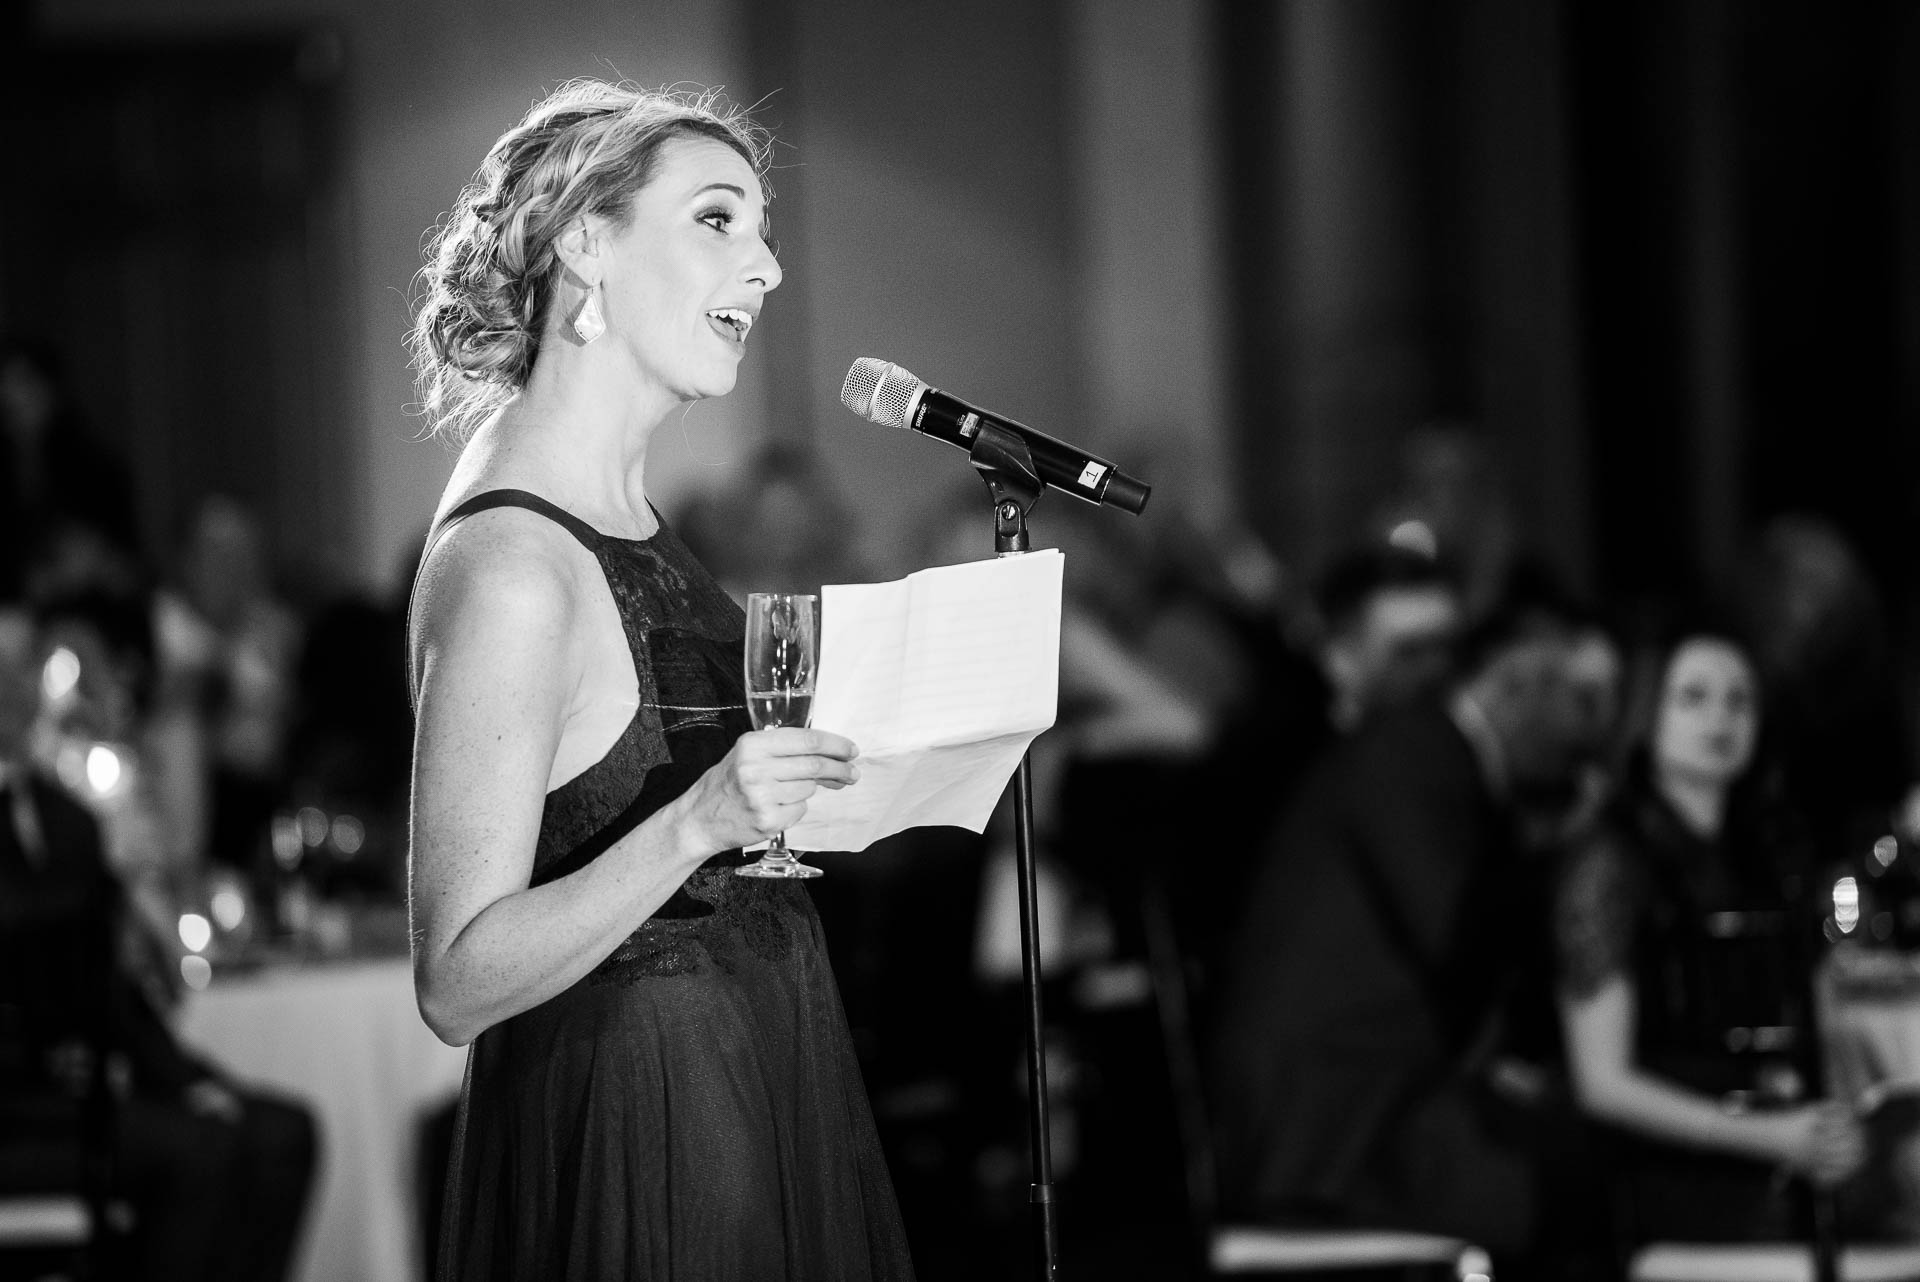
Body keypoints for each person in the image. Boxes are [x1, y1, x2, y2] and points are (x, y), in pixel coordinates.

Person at [405, 81, 912, 1279]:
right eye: (719, 221)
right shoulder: (516, 560)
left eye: (765, 233)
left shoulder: (627, 514)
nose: (769, 270)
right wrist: (700, 820)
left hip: (743, 1077)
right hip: (640, 1131)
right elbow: (457, 979)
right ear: (587, 240)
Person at [1207, 602, 1616, 1266]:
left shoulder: (1428, 757)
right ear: (1514, 683)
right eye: (1577, 699)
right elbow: (1459, 937)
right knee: (1574, 1178)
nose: (1588, 731)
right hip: (1334, 1131)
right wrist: (1566, 855)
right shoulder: (1413, 758)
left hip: (1373, 1101)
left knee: (1580, 1160)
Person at [0, 595, 318, 1282]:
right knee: (202, 1154)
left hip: (86, 1086)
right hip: (23, 1105)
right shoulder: (72, 824)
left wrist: (187, 1079)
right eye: (10, 671)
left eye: (27, 669)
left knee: (281, 1134)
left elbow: (100, 981)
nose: (24, 692)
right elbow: (36, 944)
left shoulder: (64, 815)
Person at [1555, 622, 1868, 1244]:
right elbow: (1602, 1084)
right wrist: (1765, 1136)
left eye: (1739, 699)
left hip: (1774, 1153)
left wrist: (1835, 1125)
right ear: (1647, 715)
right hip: (1664, 1178)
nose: (1719, 718)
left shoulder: (1768, 854)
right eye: (1693, 697)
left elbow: (1815, 1020)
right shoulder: (1610, 861)